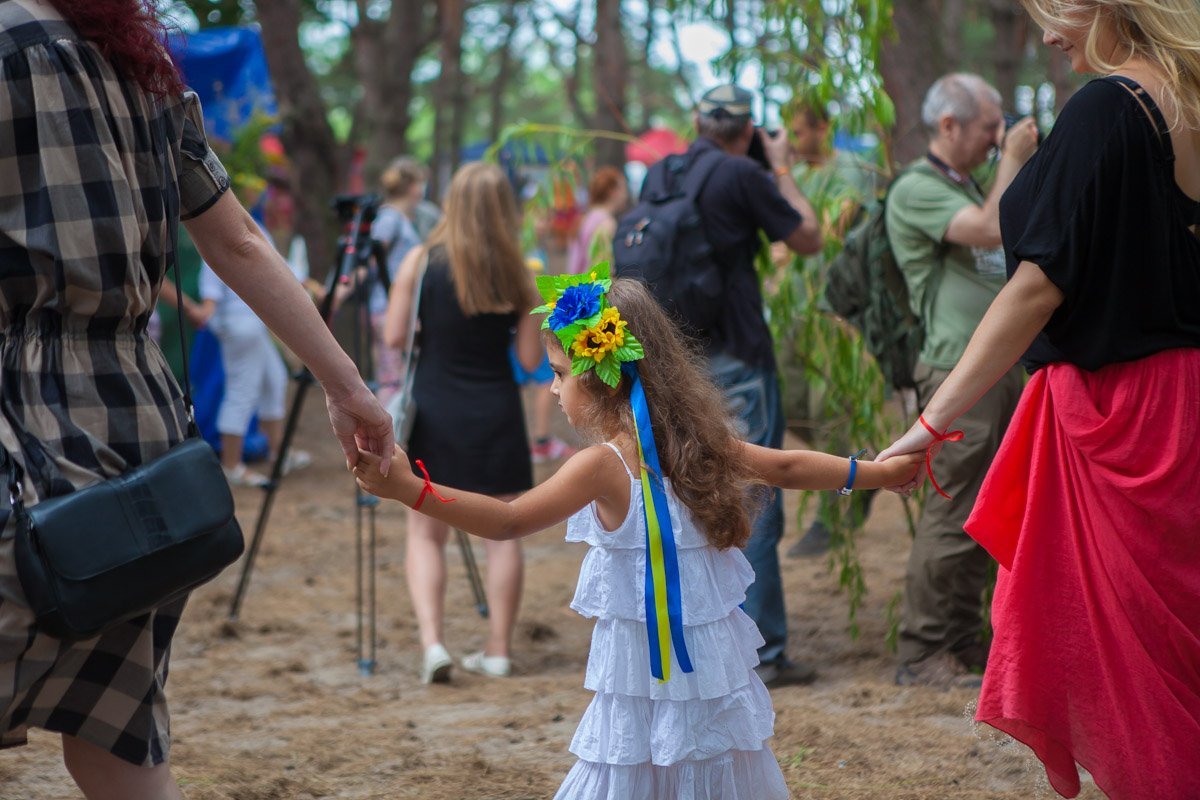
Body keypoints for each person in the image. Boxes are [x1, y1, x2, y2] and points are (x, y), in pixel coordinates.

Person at [0, 2, 394, 798]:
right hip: (141, 433)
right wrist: (348, 387)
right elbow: (238, 239)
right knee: (118, 733)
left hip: (22, 419)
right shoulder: (140, 66)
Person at [354, 273, 922, 798]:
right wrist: (878, 473)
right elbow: (789, 467)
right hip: (707, 676)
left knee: (633, 768)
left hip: (642, 681)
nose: (552, 389)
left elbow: (509, 521)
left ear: (603, 376)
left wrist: (410, 490)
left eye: (560, 373)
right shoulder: (700, 444)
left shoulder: (603, 465)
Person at [878, 0, 1200, 795]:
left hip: (1124, 414)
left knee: (1138, 672)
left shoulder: (1106, 107)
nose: (1047, 33)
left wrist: (930, 421)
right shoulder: (1190, 104)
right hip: (1185, 399)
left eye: (1053, 10)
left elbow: (1034, 287)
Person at [883, 73, 1039, 689]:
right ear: (948, 125)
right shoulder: (917, 188)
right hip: (956, 371)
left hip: (994, 371)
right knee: (952, 511)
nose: (998, 138)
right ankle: (923, 649)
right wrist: (1015, 157)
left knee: (987, 506)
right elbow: (987, 227)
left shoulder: (964, 184)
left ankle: (962, 638)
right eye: (988, 127)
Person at [673, 84, 823, 687]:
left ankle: (703, 636)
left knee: (692, 493)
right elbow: (808, 236)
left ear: (697, 123)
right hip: (736, 356)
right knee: (751, 492)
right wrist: (780, 165)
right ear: (749, 131)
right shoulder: (741, 174)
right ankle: (763, 650)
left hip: (674, 360)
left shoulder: (666, 171)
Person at [383, 161, 542, 683]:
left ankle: (433, 643)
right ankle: (498, 650)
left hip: (435, 410)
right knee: (503, 533)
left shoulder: (420, 261)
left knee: (426, 533)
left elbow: (394, 336)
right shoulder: (520, 275)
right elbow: (528, 358)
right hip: (496, 411)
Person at [779, 100, 883, 559]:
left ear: (822, 127)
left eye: (798, 132)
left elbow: (833, 227)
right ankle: (860, 466)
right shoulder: (794, 175)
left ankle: (832, 515)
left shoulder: (850, 169)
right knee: (786, 402)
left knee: (828, 408)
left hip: (833, 311)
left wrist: (792, 238)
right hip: (792, 307)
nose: (792, 141)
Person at [196, 207, 313, 488]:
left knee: (275, 379)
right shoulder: (234, 229)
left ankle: (277, 452)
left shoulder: (229, 229)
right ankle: (232, 465)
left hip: (251, 323)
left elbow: (275, 266)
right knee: (242, 391)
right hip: (242, 325)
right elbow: (275, 269)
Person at [370, 158, 427, 405]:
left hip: (394, 307)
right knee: (391, 379)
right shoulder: (389, 219)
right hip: (387, 308)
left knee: (398, 376)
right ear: (413, 187)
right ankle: (387, 422)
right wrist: (341, 290)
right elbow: (370, 260)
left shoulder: (401, 219)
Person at [565, 166, 628, 274]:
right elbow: (605, 266)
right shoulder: (607, 223)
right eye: (623, 189)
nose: (625, 195)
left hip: (579, 281)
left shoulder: (585, 218)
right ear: (613, 191)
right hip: (594, 282)